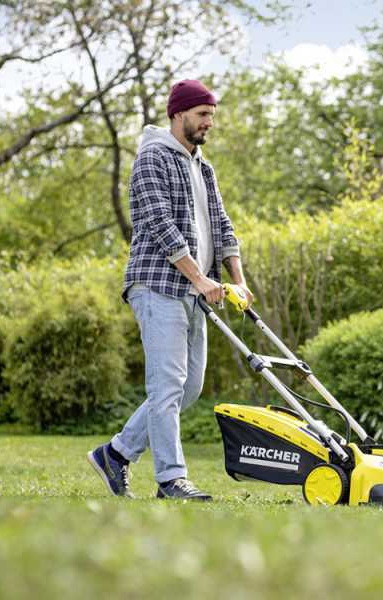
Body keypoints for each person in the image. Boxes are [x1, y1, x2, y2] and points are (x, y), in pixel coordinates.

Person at [87, 79, 253, 501]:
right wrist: (199, 277)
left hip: (198, 291)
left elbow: (223, 225)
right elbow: (160, 224)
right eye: (202, 115)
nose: (208, 123)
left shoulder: (204, 167)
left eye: (212, 116)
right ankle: (171, 479)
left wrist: (238, 280)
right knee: (166, 386)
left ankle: (117, 453)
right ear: (177, 114)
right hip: (158, 285)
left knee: (188, 388)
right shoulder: (152, 159)